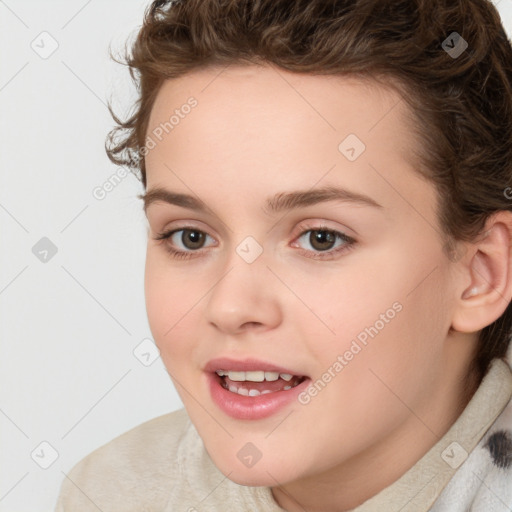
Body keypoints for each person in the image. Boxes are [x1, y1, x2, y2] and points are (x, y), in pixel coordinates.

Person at [55, 0, 512, 510]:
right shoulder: (108, 494)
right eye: (189, 236)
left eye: (321, 238)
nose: (230, 307)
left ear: (480, 273)